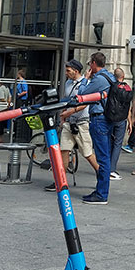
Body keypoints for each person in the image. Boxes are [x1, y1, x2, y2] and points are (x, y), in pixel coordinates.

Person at [45, 60, 99, 191]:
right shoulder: (67, 83)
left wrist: (69, 112)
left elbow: (86, 102)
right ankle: (60, 181)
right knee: (64, 151)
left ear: (76, 70)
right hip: (68, 123)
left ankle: (100, 174)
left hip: (81, 123)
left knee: (87, 153)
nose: (66, 73)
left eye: (69, 70)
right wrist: (64, 116)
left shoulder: (85, 83)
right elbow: (66, 101)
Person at [73, 52, 116, 205]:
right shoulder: (111, 76)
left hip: (99, 119)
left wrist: (85, 78)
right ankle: (100, 190)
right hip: (109, 119)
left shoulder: (99, 79)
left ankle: (102, 194)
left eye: (89, 63)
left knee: (102, 158)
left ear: (93, 63)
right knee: (104, 156)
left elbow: (82, 93)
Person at [107, 68, 132, 180]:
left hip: (110, 118)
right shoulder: (127, 88)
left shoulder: (111, 87)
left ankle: (106, 167)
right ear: (124, 76)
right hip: (122, 119)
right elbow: (128, 107)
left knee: (108, 142)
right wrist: (130, 122)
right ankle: (112, 169)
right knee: (118, 144)